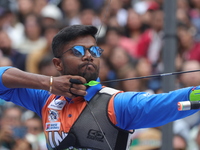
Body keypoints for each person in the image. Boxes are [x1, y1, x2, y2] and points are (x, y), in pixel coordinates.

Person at [0, 25, 199, 150]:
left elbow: (175, 99)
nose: (88, 55)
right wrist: (49, 83)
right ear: (58, 64)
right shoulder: (45, 98)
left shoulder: (117, 103)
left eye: (94, 50)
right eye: (77, 51)